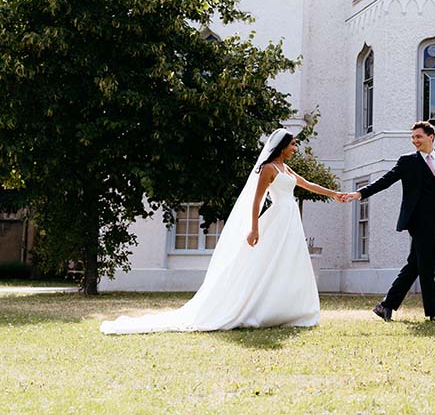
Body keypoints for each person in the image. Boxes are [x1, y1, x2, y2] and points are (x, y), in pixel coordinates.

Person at [100, 128, 345, 334]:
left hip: (290, 220)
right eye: (293, 144)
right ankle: (256, 307)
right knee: (266, 262)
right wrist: (254, 228)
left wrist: (334, 194)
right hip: (277, 218)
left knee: (290, 262)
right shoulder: (269, 168)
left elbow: (308, 185)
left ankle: (291, 309)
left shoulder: (286, 168)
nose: (295, 148)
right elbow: (257, 200)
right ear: (282, 145)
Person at [344, 121, 435, 323]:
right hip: (417, 220)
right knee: (427, 267)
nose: (415, 141)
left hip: (434, 220)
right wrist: (360, 193)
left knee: (415, 265)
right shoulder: (407, 161)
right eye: (413, 138)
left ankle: (386, 305)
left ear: (431, 137)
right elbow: (386, 180)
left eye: (418, 137)